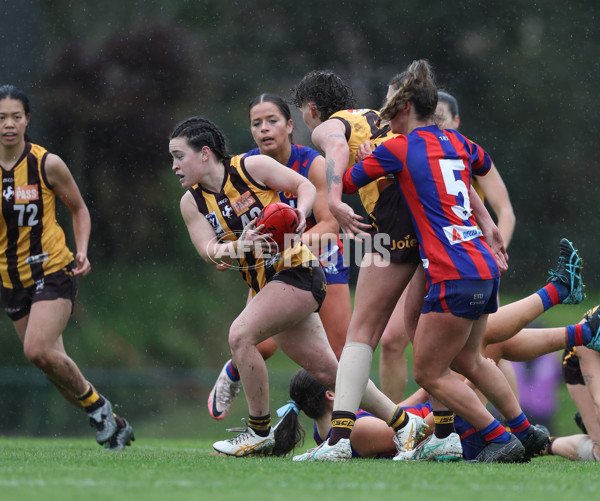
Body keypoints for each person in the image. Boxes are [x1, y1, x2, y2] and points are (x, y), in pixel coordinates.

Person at [169, 116, 419, 457]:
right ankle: (406, 424)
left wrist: (299, 215)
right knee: (330, 372)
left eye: (179, 156)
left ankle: (258, 430)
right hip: (267, 285)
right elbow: (209, 251)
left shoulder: (250, 167)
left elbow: (305, 187)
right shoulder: (191, 203)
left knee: (240, 335)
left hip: (297, 272)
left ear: (204, 154)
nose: (174, 166)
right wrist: (238, 247)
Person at [342, 59, 549, 463]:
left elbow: (350, 183)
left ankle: (497, 437)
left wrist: (362, 156)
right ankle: (527, 431)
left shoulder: (397, 148)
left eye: (388, 111)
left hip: (452, 272)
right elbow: (479, 166)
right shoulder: (458, 143)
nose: (384, 121)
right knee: (470, 359)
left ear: (404, 110)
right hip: (483, 266)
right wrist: (487, 220)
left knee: (429, 373)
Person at [291, 70, 435, 461]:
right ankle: (448, 430)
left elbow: (335, 147)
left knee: (360, 335)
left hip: (395, 213)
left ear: (311, 109)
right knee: (424, 330)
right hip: (430, 209)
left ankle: (338, 441)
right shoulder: (374, 114)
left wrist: (336, 200)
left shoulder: (328, 127)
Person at [0, 85, 133, 450]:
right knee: (53, 367)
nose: (8, 124)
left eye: (15, 116)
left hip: (52, 269)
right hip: (11, 280)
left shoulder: (47, 163)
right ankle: (114, 425)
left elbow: (79, 209)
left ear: (27, 119)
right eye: (1, 118)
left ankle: (99, 408)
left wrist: (83, 250)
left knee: (36, 350)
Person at [207, 94, 352, 421]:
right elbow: (233, 221)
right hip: (272, 263)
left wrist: (289, 244)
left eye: (272, 120)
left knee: (339, 350)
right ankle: (233, 371)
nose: (264, 128)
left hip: (322, 255)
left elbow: (330, 225)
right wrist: (229, 249)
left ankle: (340, 427)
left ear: (289, 126)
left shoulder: (311, 163)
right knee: (257, 340)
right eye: (256, 123)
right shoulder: (246, 167)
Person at [378, 85, 516, 402]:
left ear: (456, 120)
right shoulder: (412, 149)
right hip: (426, 258)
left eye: (440, 118)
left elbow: (505, 211)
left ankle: (486, 422)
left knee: (478, 352)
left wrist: (497, 251)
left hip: (468, 262)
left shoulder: (466, 151)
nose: (432, 123)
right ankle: (396, 421)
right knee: (392, 341)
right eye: (428, 116)